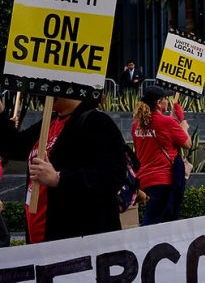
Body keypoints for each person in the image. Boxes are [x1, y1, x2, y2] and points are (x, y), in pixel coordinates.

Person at [0, 97, 128, 243]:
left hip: (75, 241)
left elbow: (114, 176)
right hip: (40, 240)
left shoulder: (97, 122)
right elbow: (15, 147)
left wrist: (59, 178)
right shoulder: (50, 121)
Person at [132, 86, 191, 225]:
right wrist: (183, 126)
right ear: (159, 103)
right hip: (163, 180)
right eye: (165, 99)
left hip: (144, 180)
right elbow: (187, 144)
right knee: (154, 222)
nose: (167, 101)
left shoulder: (136, 125)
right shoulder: (167, 122)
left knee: (156, 219)